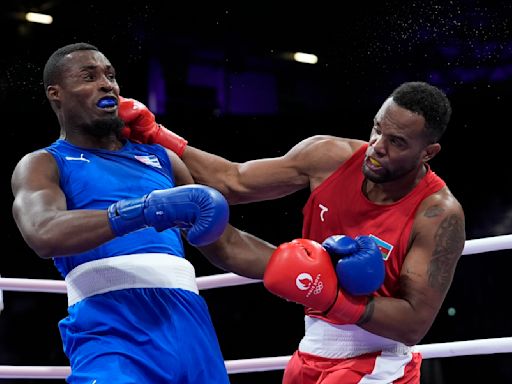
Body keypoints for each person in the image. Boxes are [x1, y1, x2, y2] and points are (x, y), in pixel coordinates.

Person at [119, 80, 466, 383]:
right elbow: (233, 181)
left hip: (380, 363)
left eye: (396, 142)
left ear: (428, 152)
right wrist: (156, 136)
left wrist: (332, 298)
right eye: (376, 129)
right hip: (310, 353)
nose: (376, 146)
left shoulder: (437, 214)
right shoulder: (328, 157)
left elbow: (413, 324)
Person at [10, 42, 276, 384]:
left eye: (110, 76)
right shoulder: (44, 163)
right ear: (56, 94)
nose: (107, 84)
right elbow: (42, 232)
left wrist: (310, 264)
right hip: (111, 327)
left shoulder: (162, 159)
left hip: (190, 326)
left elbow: (227, 244)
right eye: (88, 77)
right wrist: (146, 210)